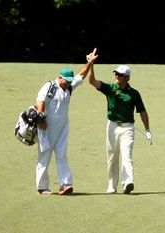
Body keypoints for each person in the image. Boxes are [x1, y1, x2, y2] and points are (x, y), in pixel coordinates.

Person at [35, 49, 98, 195]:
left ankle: (65, 184)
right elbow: (40, 101)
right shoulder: (49, 86)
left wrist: (89, 63)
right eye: (66, 81)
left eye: (69, 82)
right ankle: (42, 187)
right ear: (60, 78)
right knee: (44, 155)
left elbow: (81, 75)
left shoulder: (68, 86)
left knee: (62, 154)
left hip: (62, 127)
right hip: (46, 127)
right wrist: (42, 119)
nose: (68, 84)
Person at [88, 56, 152, 194]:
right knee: (112, 157)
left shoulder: (134, 94)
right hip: (112, 126)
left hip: (128, 128)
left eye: (120, 74)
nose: (116, 76)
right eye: (116, 73)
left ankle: (128, 182)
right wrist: (91, 64)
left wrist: (147, 130)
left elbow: (142, 111)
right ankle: (112, 185)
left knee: (126, 154)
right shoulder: (110, 88)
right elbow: (92, 81)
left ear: (127, 78)